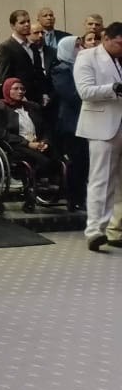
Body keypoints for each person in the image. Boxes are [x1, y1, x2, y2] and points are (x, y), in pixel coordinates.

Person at [74, 22, 122, 251]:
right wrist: (114, 88)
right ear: (106, 39)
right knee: (101, 179)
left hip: (119, 124)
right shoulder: (86, 57)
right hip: (102, 126)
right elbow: (85, 91)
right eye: (119, 43)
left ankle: (116, 229)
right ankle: (94, 231)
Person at [0, 78, 57, 211]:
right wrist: (27, 143)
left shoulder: (33, 106)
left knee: (58, 157)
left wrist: (44, 142)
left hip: (37, 142)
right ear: (7, 90)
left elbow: (45, 128)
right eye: (16, 89)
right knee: (43, 160)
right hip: (15, 145)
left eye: (22, 89)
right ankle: (33, 189)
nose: (20, 92)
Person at [52, 33, 90, 212]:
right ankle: (74, 198)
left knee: (86, 162)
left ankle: (84, 197)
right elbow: (71, 95)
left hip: (87, 120)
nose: (81, 49)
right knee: (76, 162)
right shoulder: (61, 69)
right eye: (76, 46)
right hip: (71, 122)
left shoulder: (83, 66)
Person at [0, 9, 49, 106]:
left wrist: (44, 92)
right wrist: (17, 95)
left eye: (28, 21)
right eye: (22, 22)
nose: (27, 24)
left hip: (37, 97)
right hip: (19, 98)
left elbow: (39, 72)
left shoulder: (33, 46)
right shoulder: (5, 47)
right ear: (13, 26)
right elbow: (5, 77)